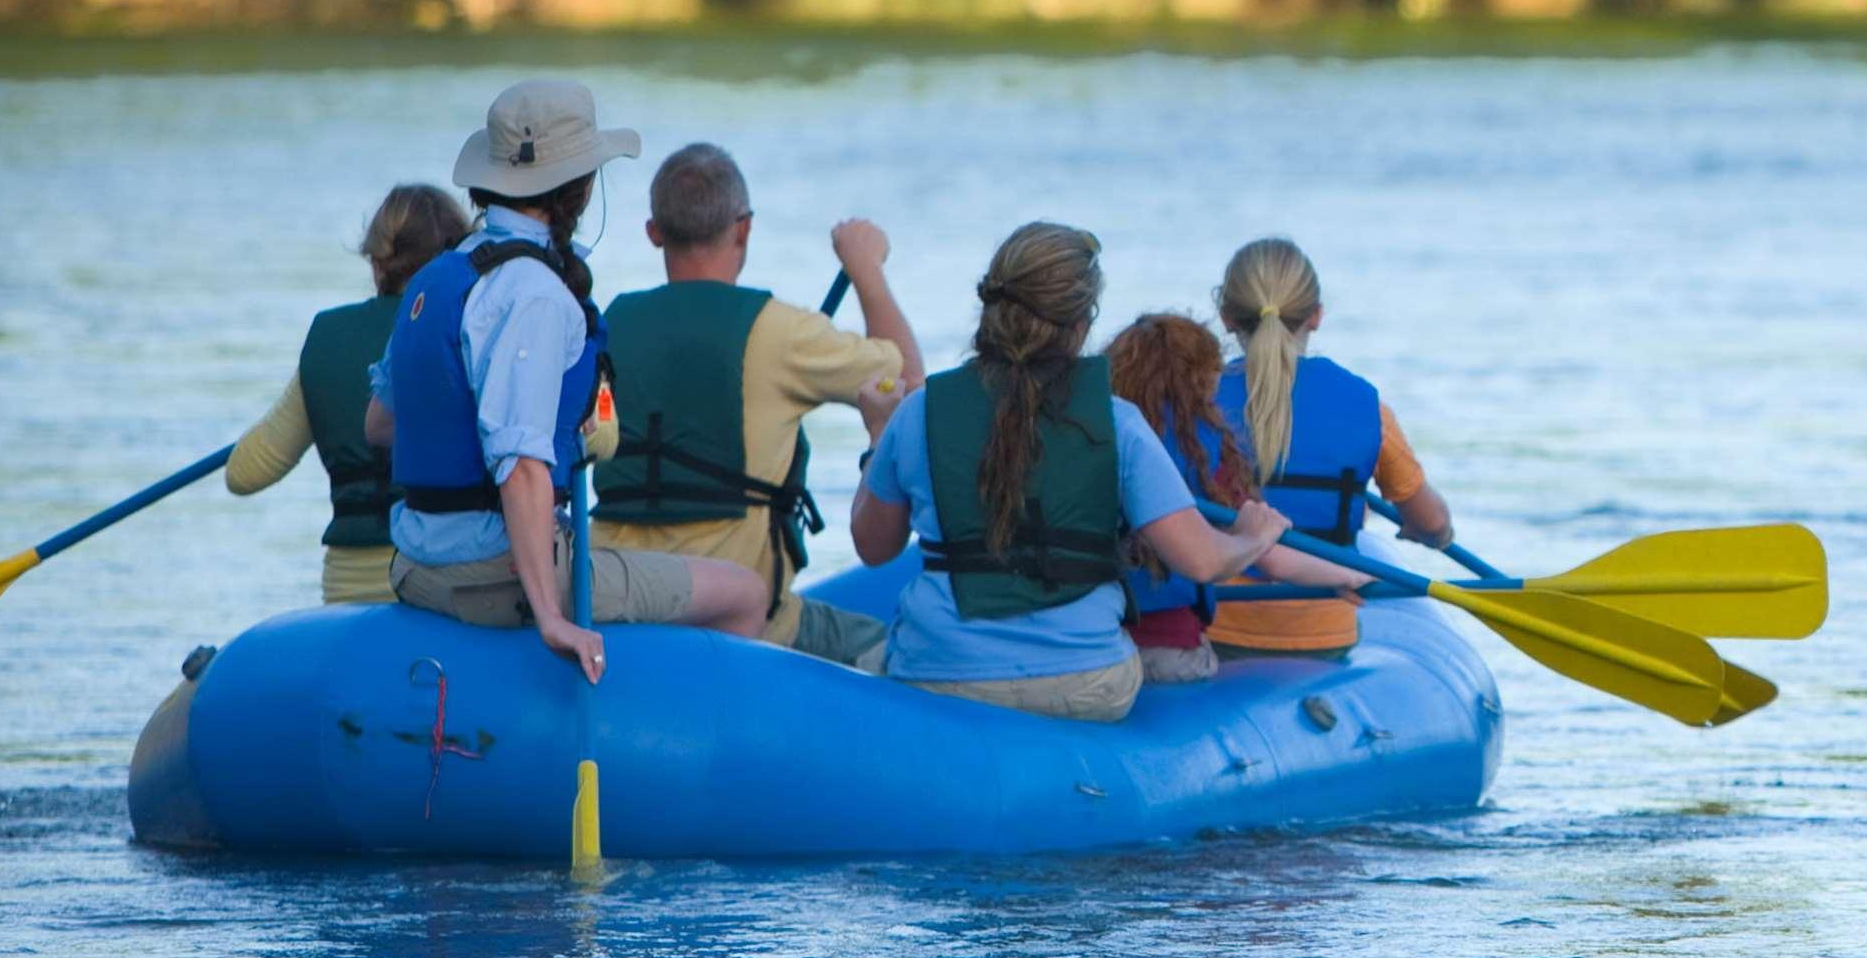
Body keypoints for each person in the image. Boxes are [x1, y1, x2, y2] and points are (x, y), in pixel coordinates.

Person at [847, 221, 1353, 721]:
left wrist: (877, 436)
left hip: (939, 674)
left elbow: (875, 548)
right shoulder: (1118, 423)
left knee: (863, 661)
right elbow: (1202, 562)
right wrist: (1250, 537)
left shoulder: (919, 412)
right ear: (1082, 325)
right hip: (1086, 682)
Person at [361, 78, 770, 680]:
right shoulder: (535, 295)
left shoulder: (437, 278)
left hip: (415, 565)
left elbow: (380, 425)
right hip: (494, 573)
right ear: (579, 189)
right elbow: (521, 462)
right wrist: (552, 617)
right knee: (742, 594)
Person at [589, 142, 921, 669]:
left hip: (624, 600)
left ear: (654, 233)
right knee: (892, 648)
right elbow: (906, 385)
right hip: (750, 623)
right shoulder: (781, 332)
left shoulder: (610, 323)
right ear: (743, 228)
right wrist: (866, 268)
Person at [1204, 237, 1453, 660]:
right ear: (1316, 316)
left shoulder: (1195, 400)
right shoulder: (1365, 406)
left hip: (1215, 627)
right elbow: (1429, 521)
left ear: (1227, 317)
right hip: (1322, 631)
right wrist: (1434, 533)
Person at [224, 183, 465, 603]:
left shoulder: (328, 338)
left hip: (347, 591)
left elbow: (244, 475)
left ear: (377, 263)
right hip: (445, 583)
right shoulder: (469, 330)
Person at [1102, 312, 1258, 682]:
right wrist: (1261, 535)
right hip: (1170, 649)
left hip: (1096, 645)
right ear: (1201, 378)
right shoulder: (1206, 448)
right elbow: (1265, 561)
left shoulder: (1096, 433)